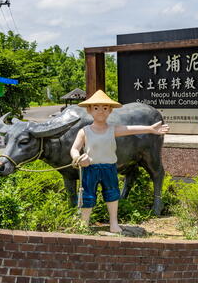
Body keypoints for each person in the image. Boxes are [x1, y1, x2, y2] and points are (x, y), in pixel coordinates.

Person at [70, 90, 169, 233]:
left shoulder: (112, 129)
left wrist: (150, 129)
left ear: (110, 111)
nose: (101, 112)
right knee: (88, 195)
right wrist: (77, 158)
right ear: (89, 110)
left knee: (112, 195)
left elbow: (130, 129)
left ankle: (114, 223)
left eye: (105, 108)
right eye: (96, 108)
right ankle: (84, 223)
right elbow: (74, 148)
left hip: (109, 168)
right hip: (90, 169)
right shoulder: (84, 131)